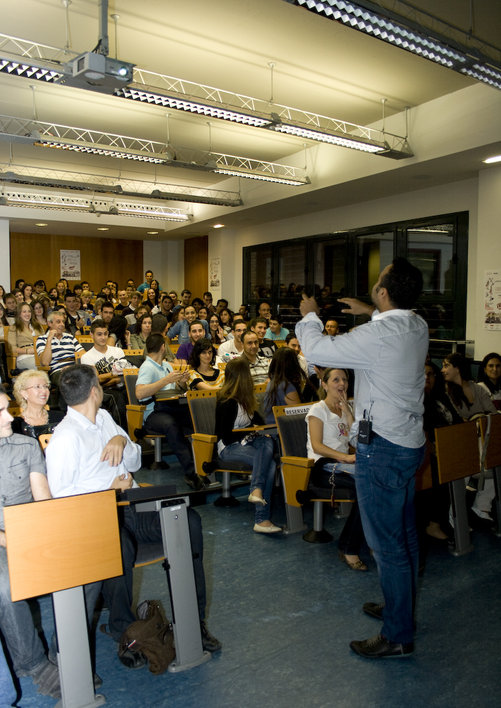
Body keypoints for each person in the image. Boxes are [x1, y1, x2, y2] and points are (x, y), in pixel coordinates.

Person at [296, 257, 428, 659]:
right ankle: (399, 608)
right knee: (404, 535)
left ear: (384, 291)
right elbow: (389, 325)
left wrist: (310, 315)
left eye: (379, 280)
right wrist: (370, 310)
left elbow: (316, 348)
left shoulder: (379, 335)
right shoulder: (417, 325)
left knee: (387, 546)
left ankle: (397, 635)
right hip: (410, 445)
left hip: (383, 449)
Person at [45, 365, 220, 664]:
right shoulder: (65, 438)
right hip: (99, 513)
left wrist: (122, 441)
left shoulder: (104, 417)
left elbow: (136, 461)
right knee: (119, 545)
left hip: (134, 504)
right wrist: (108, 490)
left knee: (188, 522)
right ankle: (124, 630)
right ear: (95, 391)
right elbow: (62, 497)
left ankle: (193, 621)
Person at [0, 385, 60, 698]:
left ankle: (66, 649)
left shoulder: (25, 446)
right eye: (0, 412)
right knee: (5, 586)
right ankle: (34, 664)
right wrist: (10, 540)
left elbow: (43, 498)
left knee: (80, 561)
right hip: (3, 537)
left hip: (27, 528)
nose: (9, 418)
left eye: (7, 408)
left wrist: (46, 536)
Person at [305, 368, 367, 570]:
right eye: (336, 380)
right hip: (322, 467)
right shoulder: (318, 410)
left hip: (343, 465)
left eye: (345, 380)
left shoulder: (346, 409)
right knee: (367, 487)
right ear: (324, 384)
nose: (342, 384)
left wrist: (347, 411)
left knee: (374, 483)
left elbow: (356, 441)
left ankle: (363, 541)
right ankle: (349, 547)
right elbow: (317, 446)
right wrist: (345, 457)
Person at [215, 358, 281, 533]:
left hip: (246, 442)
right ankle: (261, 518)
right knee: (270, 464)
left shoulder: (246, 399)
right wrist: (250, 431)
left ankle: (257, 491)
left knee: (267, 440)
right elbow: (225, 436)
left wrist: (258, 430)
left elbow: (258, 422)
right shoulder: (226, 401)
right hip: (229, 447)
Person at [136, 333, 203, 490]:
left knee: (196, 418)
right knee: (171, 425)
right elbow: (139, 393)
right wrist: (166, 380)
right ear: (163, 347)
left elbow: (174, 390)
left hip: (171, 407)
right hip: (153, 413)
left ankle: (204, 465)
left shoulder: (166, 365)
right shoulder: (147, 367)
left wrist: (182, 382)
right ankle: (191, 472)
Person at [263, 347, 317, 423]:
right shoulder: (286, 386)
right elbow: (300, 414)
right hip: (281, 427)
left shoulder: (273, 382)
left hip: (274, 426)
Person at [12, 369, 64, 437]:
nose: (44, 391)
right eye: (37, 387)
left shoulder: (60, 417)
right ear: (24, 393)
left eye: (45, 386)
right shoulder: (16, 425)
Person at [36, 311, 84, 381]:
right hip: (58, 371)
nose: (62, 324)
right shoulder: (42, 339)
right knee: (72, 380)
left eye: (63, 322)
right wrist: (49, 340)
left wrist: (73, 367)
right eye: (58, 322)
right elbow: (45, 362)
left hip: (74, 368)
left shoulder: (70, 337)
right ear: (49, 323)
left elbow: (83, 355)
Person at [8, 302, 45, 370]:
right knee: (39, 366)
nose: (27, 314)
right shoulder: (14, 328)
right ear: (19, 314)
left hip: (41, 354)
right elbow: (12, 348)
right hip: (25, 356)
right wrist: (27, 351)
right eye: (24, 312)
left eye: (29, 311)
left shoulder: (38, 326)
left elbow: (45, 341)